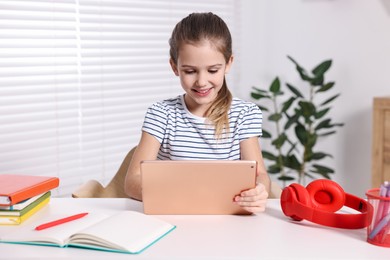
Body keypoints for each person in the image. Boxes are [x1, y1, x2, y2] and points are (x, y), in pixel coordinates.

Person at [125, 12, 270, 213]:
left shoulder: (245, 114)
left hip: (228, 221)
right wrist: (174, 195)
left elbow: (260, 175)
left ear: (228, 63)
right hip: (173, 216)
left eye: (212, 70)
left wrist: (260, 190)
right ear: (174, 67)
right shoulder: (161, 114)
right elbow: (132, 180)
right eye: (190, 71)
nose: (201, 81)